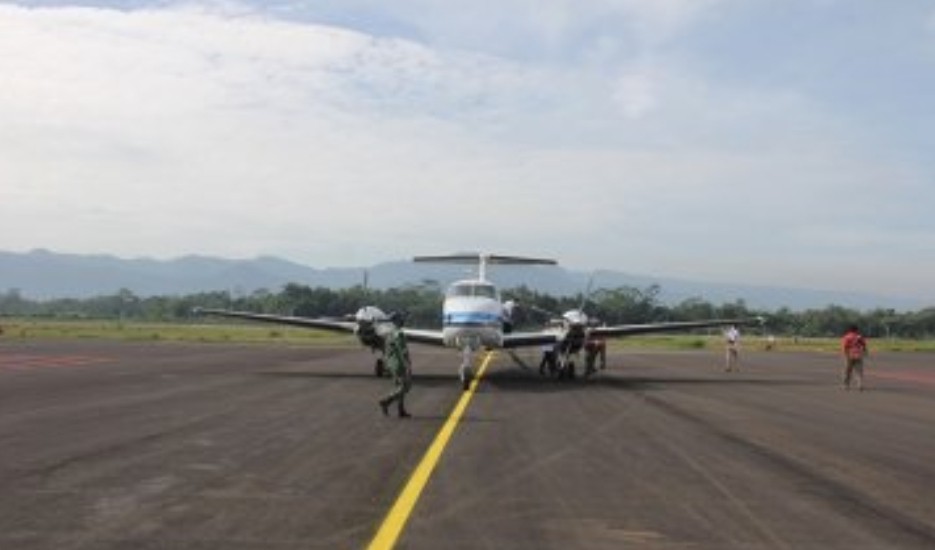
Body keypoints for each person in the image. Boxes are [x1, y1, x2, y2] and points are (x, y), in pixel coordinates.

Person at [379, 312, 412, 418]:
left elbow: (386, 349)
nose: (403, 321)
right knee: (406, 386)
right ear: (397, 321)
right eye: (400, 319)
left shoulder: (388, 334)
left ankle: (401, 410)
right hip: (399, 364)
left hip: (391, 363)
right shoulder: (399, 334)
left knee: (399, 386)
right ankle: (386, 401)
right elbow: (403, 351)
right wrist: (407, 364)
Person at [841, 324, 868, 391]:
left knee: (847, 371)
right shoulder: (859, 337)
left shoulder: (847, 337)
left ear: (849, 330)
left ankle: (846, 386)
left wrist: (845, 354)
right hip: (858, 355)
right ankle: (859, 385)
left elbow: (845, 346)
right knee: (859, 371)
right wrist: (865, 352)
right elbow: (864, 345)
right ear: (856, 330)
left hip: (850, 355)